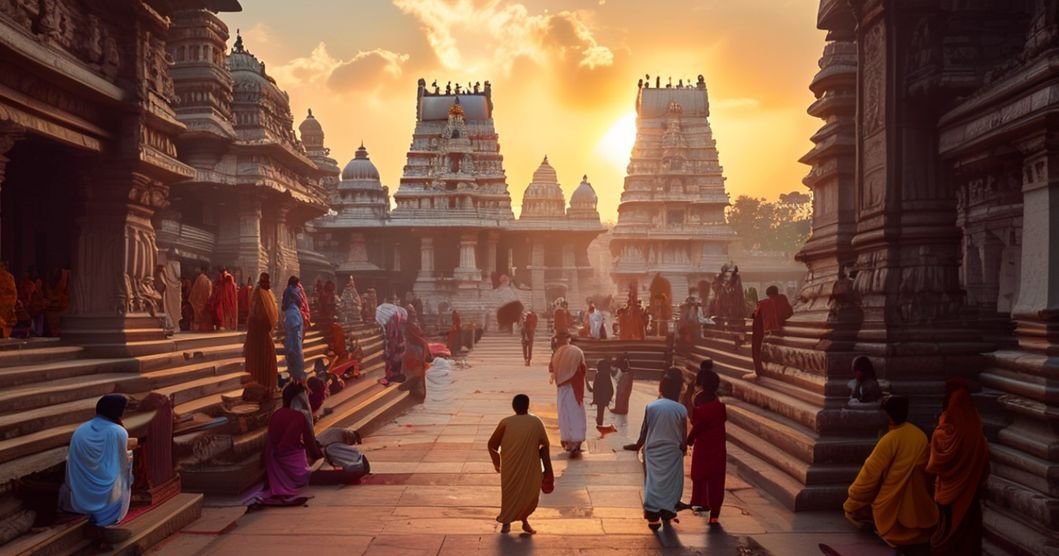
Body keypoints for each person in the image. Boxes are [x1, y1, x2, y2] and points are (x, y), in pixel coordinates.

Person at [844, 396, 937, 549]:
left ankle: (894, 534)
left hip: (894, 498)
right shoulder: (919, 434)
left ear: (888, 415)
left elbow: (870, 470)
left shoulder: (891, 438)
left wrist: (854, 494)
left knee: (858, 508)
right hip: (921, 497)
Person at [927, 380, 990, 555]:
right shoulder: (977, 434)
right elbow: (985, 466)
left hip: (947, 496)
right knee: (968, 537)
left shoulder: (941, 436)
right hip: (970, 494)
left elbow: (933, 466)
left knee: (947, 535)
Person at [625, 372, 688, 529]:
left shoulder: (651, 406)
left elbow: (645, 429)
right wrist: (683, 447)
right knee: (671, 482)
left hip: (653, 450)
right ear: (678, 390)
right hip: (672, 450)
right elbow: (683, 433)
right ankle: (668, 509)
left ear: (661, 388)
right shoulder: (681, 409)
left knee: (653, 481)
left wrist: (639, 445)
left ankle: (652, 513)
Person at [60, 394, 133, 526]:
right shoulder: (118, 431)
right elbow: (119, 464)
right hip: (105, 494)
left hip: (80, 489)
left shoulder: (81, 429)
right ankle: (112, 513)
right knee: (127, 464)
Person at [487, 394, 553, 535]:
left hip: (517, 467)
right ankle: (508, 521)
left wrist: (496, 462)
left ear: (514, 407)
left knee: (519, 494)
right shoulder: (535, 422)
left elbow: (491, 445)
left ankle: (521, 521)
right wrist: (548, 470)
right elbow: (545, 446)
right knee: (525, 495)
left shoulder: (506, 422)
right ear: (527, 406)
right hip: (521, 467)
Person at [250, 383, 323, 507]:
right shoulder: (299, 416)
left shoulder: (276, 414)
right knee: (315, 473)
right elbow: (291, 445)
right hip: (292, 470)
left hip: (274, 465)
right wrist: (319, 454)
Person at [687, 362, 726, 523]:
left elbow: (697, 425)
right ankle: (715, 515)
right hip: (717, 446)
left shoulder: (700, 407)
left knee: (700, 474)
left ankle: (701, 501)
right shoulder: (720, 407)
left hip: (703, 445)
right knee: (716, 479)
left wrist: (689, 439)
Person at [549, 332, 587, 455]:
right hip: (574, 386)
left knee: (564, 413)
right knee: (575, 413)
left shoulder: (556, 354)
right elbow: (583, 369)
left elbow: (551, 369)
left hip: (561, 387)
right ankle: (576, 441)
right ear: (568, 339)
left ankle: (567, 441)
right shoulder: (577, 351)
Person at [245, 273, 279, 394]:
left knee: (267, 361)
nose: (269, 284)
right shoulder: (259, 296)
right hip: (258, 336)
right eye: (267, 282)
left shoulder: (266, 294)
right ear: (262, 283)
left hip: (263, 334)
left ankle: (266, 386)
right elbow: (259, 316)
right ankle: (262, 387)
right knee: (261, 362)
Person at [749, 285, 793, 378]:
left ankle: (760, 370)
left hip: (764, 332)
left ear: (768, 294)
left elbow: (755, 315)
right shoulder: (783, 300)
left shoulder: (763, 303)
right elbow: (789, 312)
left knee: (758, 351)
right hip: (781, 332)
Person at [282, 276, 307, 383]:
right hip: (294, 344)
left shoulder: (292, 309)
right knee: (295, 363)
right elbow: (294, 330)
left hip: (293, 343)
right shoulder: (293, 309)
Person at [588, 358, 615, 432]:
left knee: (600, 412)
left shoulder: (598, 375)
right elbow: (610, 387)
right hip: (605, 397)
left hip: (599, 397)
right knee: (601, 412)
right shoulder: (607, 375)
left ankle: (599, 425)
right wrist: (610, 396)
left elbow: (595, 388)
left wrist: (594, 399)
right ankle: (600, 424)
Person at [189, 266, 213, 332]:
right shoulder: (207, 280)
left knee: (197, 317)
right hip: (205, 302)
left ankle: (197, 329)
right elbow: (209, 293)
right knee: (204, 317)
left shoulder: (199, 279)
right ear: (206, 271)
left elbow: (194, 292)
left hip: (197, 302)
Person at [0, 262, 15, 338]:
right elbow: (14, 293)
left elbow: (13, 293)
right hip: (7, 307)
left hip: (6, 308)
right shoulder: (9, 277)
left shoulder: (9, 277)